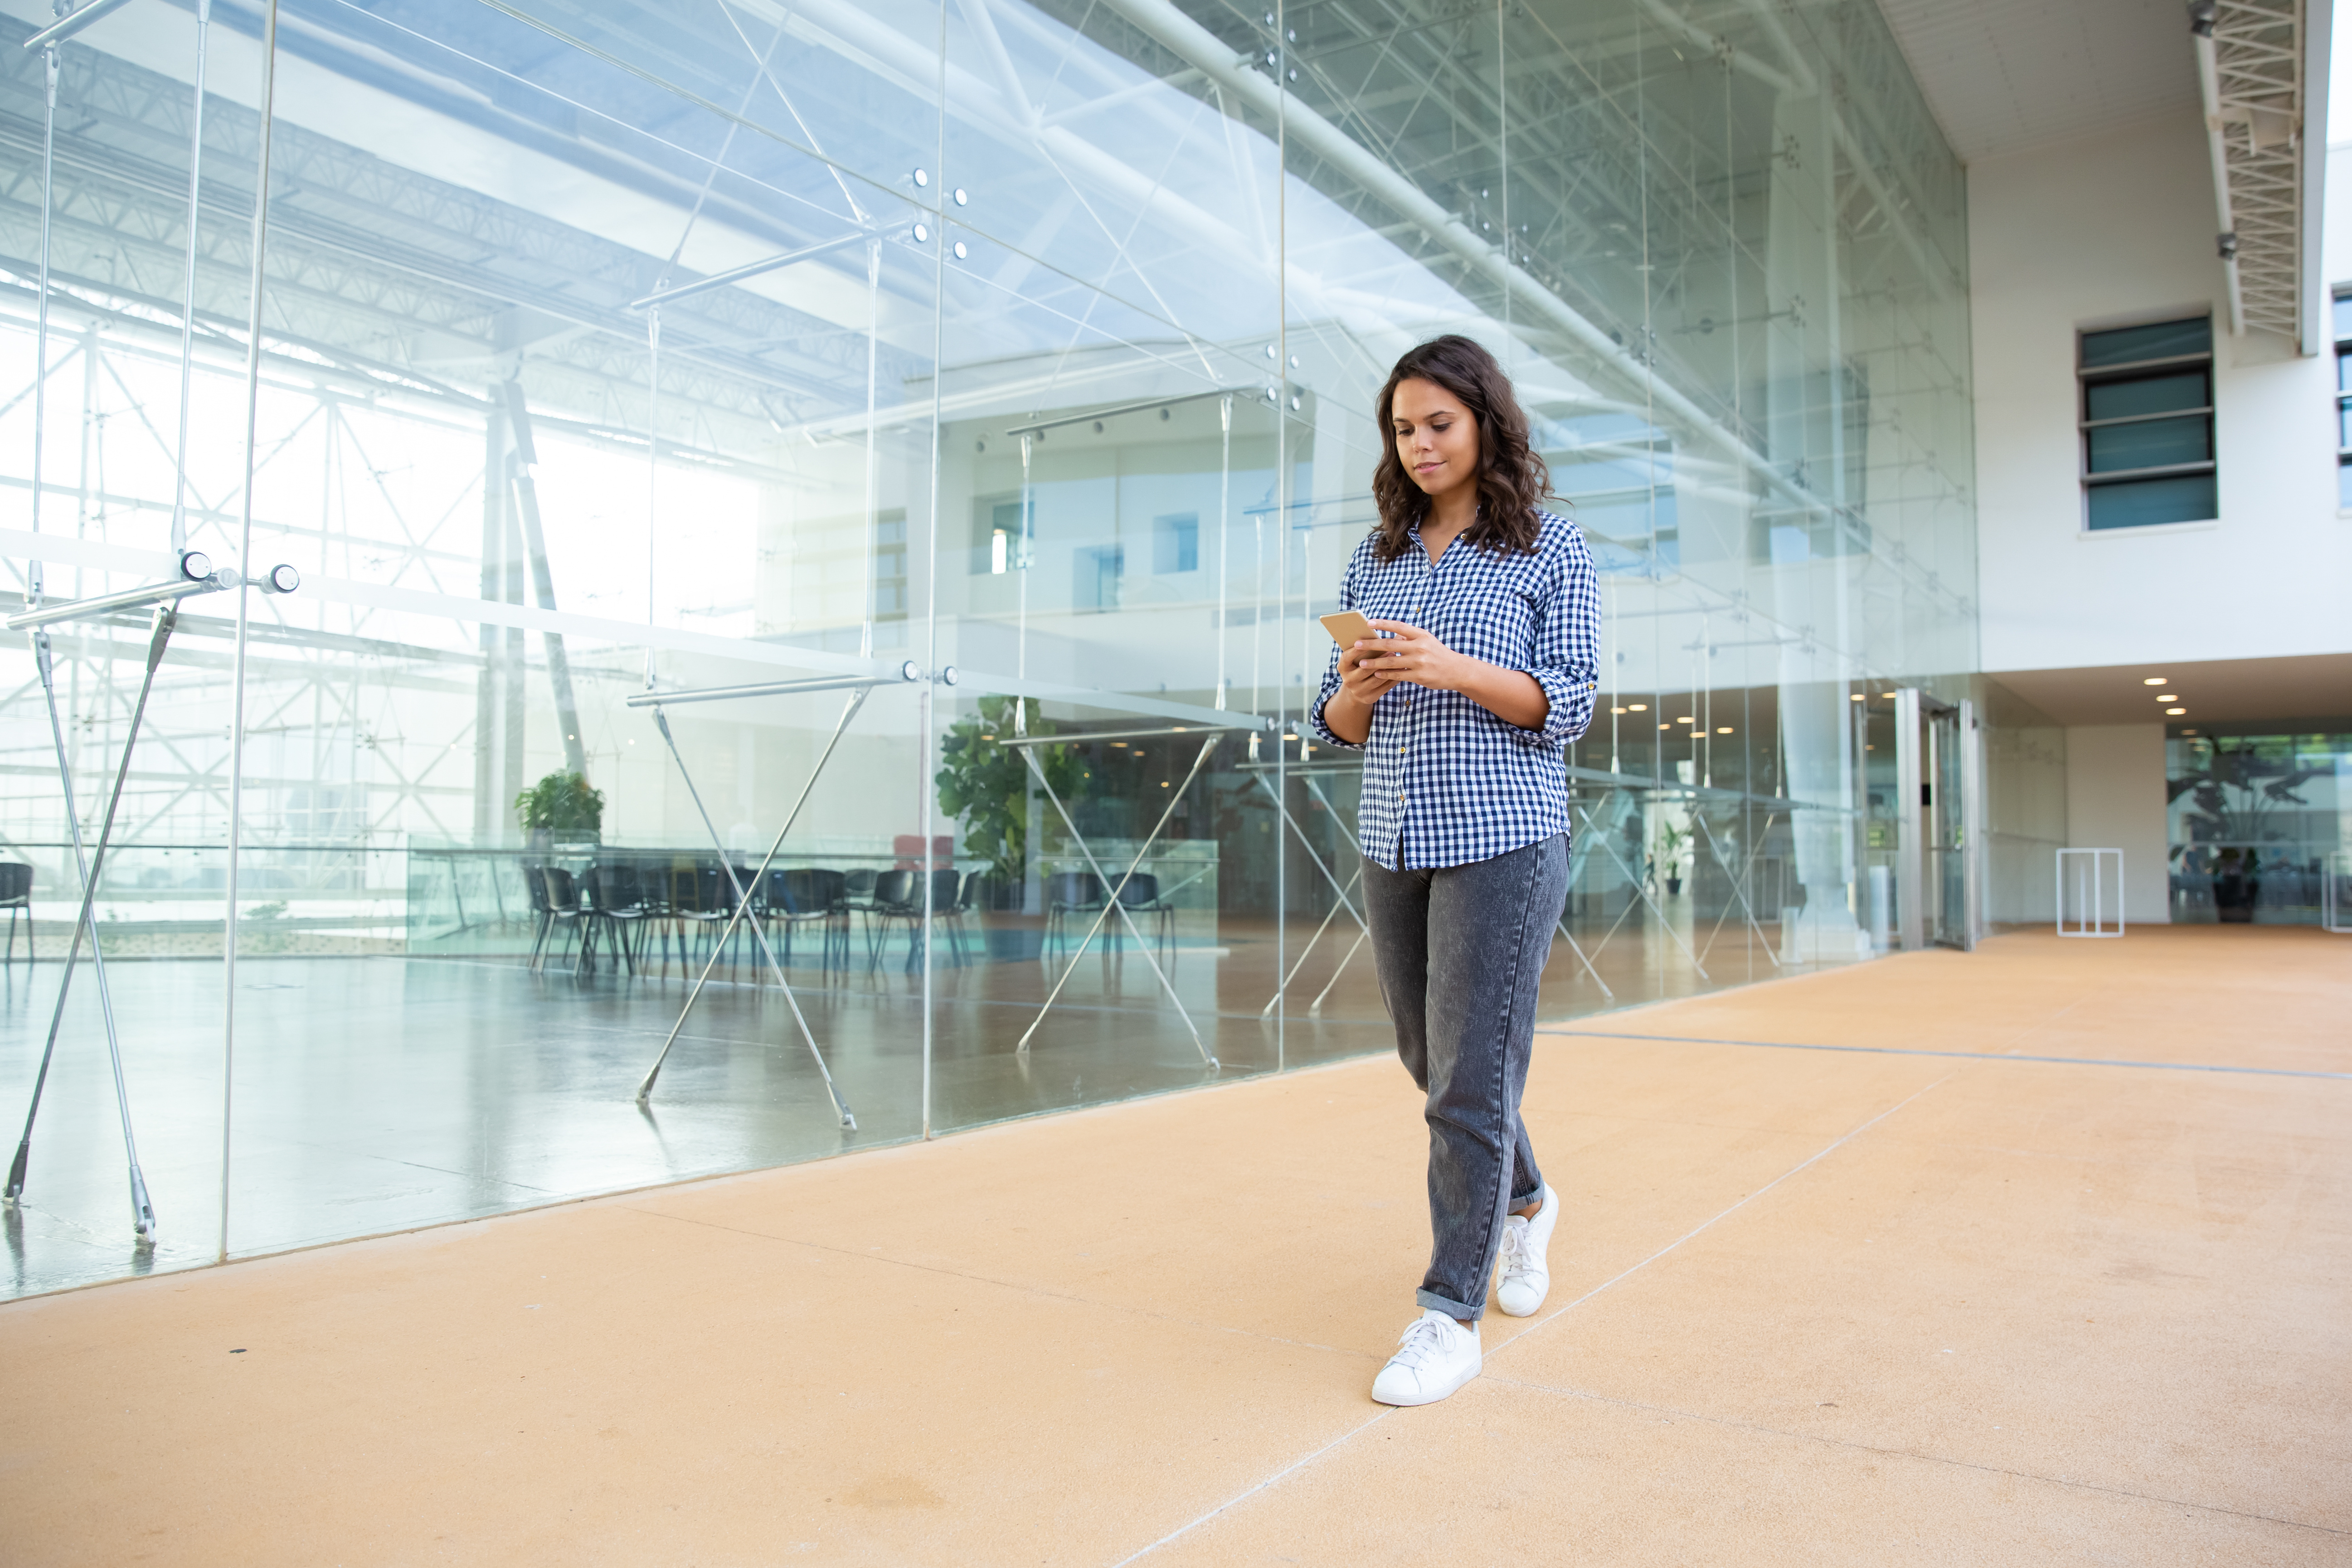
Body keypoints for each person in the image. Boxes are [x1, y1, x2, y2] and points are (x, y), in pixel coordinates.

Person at [1309, 335, 1600, 1407]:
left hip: (1505, 838)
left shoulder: (1548, 549)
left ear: (1482, 420)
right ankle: (1523, 1202)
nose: (1420, 443)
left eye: (1438, 421)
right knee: (1427, 1057)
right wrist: (1365, 682)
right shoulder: (1376, 555)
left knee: (1468, 1080)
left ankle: (1447, 1313)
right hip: (1393, 833)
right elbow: (1333, 722)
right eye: (1402, 428)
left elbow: (1565, 704)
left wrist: (1443, 662)